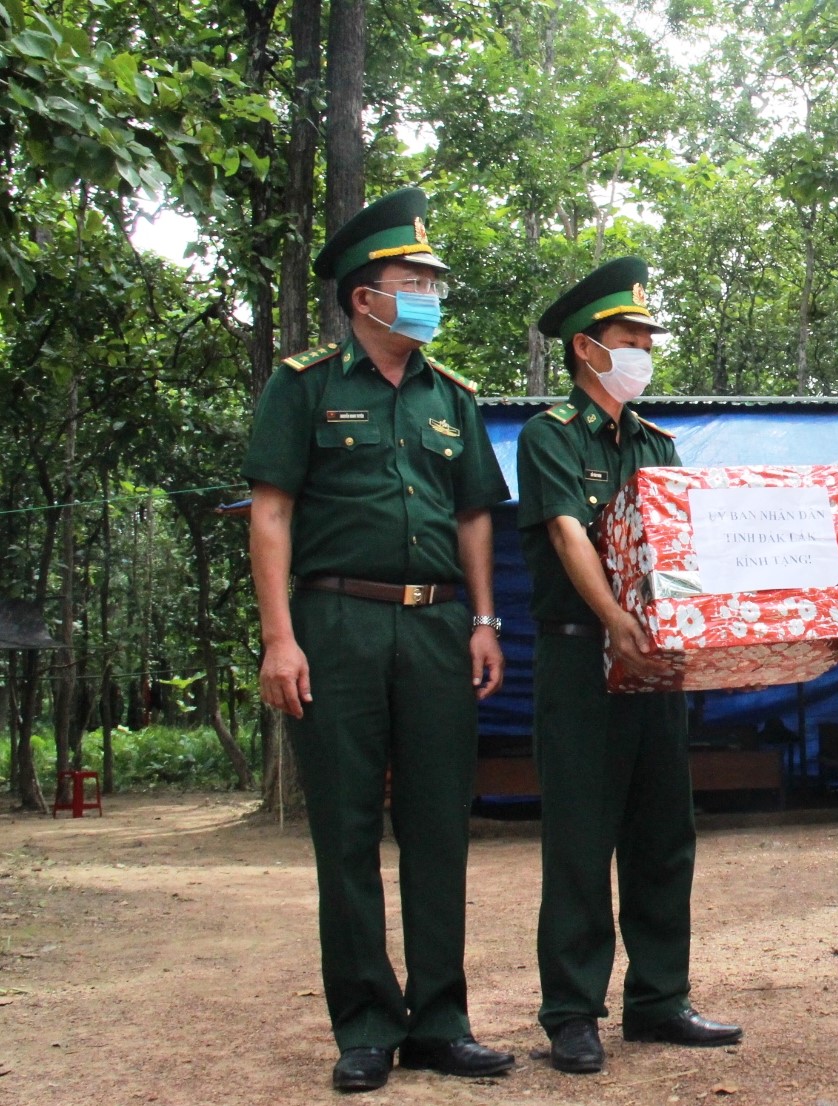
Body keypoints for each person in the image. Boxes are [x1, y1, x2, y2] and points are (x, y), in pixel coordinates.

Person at [242, 188, 514, 1093]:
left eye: (433, 282)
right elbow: (271, 513)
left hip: (438, 624)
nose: (431, 295)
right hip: (335, 623)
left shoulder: (452, 397)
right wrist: (279, 639)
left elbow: (474, 515)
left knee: (439, 826)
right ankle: (363, 1024)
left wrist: (484, 621)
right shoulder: (305, 386)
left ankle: (441, 1022)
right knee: (347, 828)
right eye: (414, 281)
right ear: (365, 297)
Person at [516, 256, 742, 1075]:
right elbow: (567, 533)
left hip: (657, 666)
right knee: (581, 837)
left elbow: (679, 548)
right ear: (587, 348)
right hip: (582, 657)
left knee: (662, 832)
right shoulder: (549, 436)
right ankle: (572, 1013)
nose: (643, 350)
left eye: (647, 338)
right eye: (629, 337)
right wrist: (613, 620)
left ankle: (658, 999)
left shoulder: (658, 443)